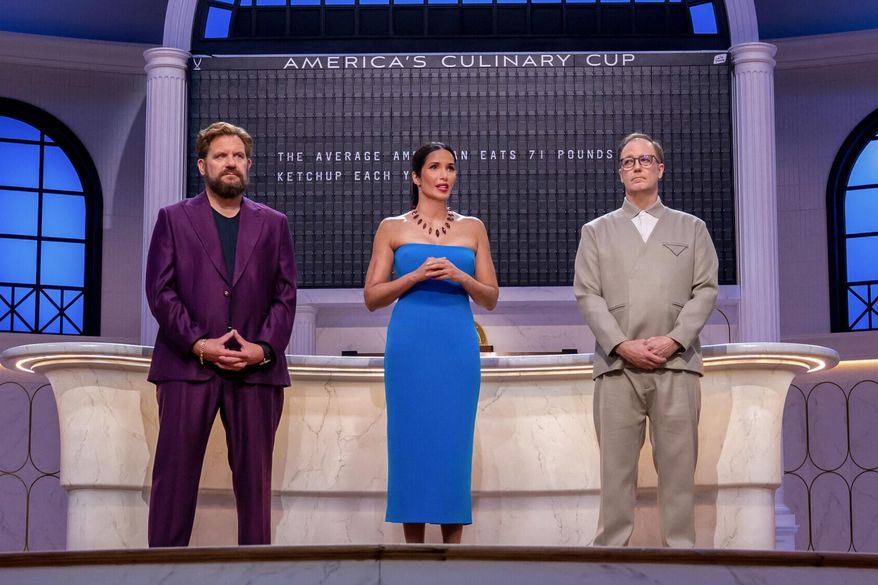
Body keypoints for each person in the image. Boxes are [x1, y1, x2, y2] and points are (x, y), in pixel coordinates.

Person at [145, 121, 297, 547]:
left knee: (255, 489)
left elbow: (286, 296)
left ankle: (257, 573)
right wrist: (198, 344)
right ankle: (163, 576)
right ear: (202, 165)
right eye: (220, 156)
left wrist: (262, 348)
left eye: (237, 156)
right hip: (186, 367)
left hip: (255, 372)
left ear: (248, 164)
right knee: (173, 483)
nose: (230, 163)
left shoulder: (274, 224)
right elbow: (160, 291)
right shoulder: (173, 219)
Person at [573, 132, 718, 548]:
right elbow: (587, 293)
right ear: (620, 172)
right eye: (628, 161)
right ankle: (609, 557)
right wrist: (621, 345)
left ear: (660, 168)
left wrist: (674, 340)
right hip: (618, 368)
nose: (637, 167)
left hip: (676, 364)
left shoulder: (692, 228)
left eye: (645, 160)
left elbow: (706, 289)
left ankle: (682, 556)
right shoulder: (596, 231)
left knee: (678, 471)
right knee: (615, 473)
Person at [363, 142, 499, 544]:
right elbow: (372, 297)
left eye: (451, 168)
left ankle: (453, 561)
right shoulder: (392, 227)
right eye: (435, 168)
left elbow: (490, 297)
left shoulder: (473, 228)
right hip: (410, 349)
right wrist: (414, 276)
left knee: (452, 448)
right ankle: (413, 561)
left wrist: (461, 276)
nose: (444, 176)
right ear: (415, 176)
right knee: (411, 448)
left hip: (456, 349)